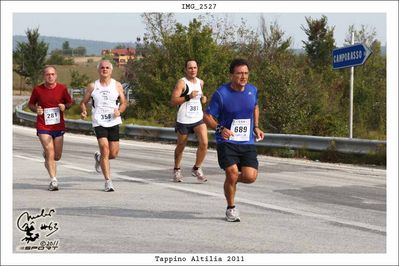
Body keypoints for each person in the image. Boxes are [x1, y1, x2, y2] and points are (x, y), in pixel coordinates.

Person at [204, 58, 265, 222]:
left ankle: (230, 182)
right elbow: (207, 116)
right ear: (232, 75)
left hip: (247, 141)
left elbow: (255, 107)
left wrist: (256, 127)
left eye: (246, 73)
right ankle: (231, 208)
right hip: (227, 142)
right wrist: (220, 129)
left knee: (251, 177)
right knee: (231, 173)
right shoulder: (221, 94)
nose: (243, 77)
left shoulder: (252, 90)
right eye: (239, 73)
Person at [80, 60, 127, 192]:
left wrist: (120, 111)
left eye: (107, 68)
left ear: (111, 70)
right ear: (98, 70)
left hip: (113, 121)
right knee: (104, 148)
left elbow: (123, 103)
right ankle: (108, 181)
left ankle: (99, 158)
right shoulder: (92, 86)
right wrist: (84, 111)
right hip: (99, 121)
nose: (104, 70)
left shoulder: (117, 85)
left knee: (113, 153)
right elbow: (83, 102)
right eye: (102, 68)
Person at [28, 65, 73, 191]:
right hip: (43, 125)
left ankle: (48, 157)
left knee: (57, 156)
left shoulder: (62, 88)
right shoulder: (38, 90)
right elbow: (31, 104)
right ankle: (53, 180)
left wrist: (65, 106)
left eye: (52, 74)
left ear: (56, 75)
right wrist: (36, 109)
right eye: (48, 74)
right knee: (50, 152)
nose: (50, 76)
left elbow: (69, 103)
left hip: (58, 126)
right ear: (44, 76)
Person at [170, 59, 208, 183]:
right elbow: (173, 101)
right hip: (184, 119)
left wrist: (203, 98)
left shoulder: (200, 82)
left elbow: (200, 97)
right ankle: (176, 169)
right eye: (190, 68)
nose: (193, 70)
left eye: (195, 68)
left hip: (197, 118)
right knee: (181, 146)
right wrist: (188, 96)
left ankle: (196, 168)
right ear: (186, 70)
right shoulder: (182, 83)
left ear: (198, 69)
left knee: (204, 142)